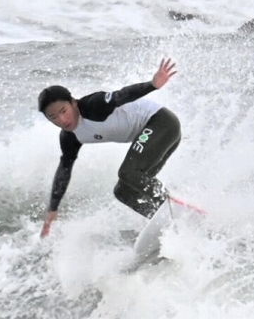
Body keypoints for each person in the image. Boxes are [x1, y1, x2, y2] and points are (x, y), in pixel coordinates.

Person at [38, 58, 180, 238]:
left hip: (161, 123)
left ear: (73, 102)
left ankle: (173, 209)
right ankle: (166, 224)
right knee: (123, 191)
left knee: (129, 173)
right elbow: (64, 169)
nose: (62, 120)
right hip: (154, 135)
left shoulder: (92, 106)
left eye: (63, 111)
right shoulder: (69, 137)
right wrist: (53, 208)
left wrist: (152, 85)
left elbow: (122, 95)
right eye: (53, 118)